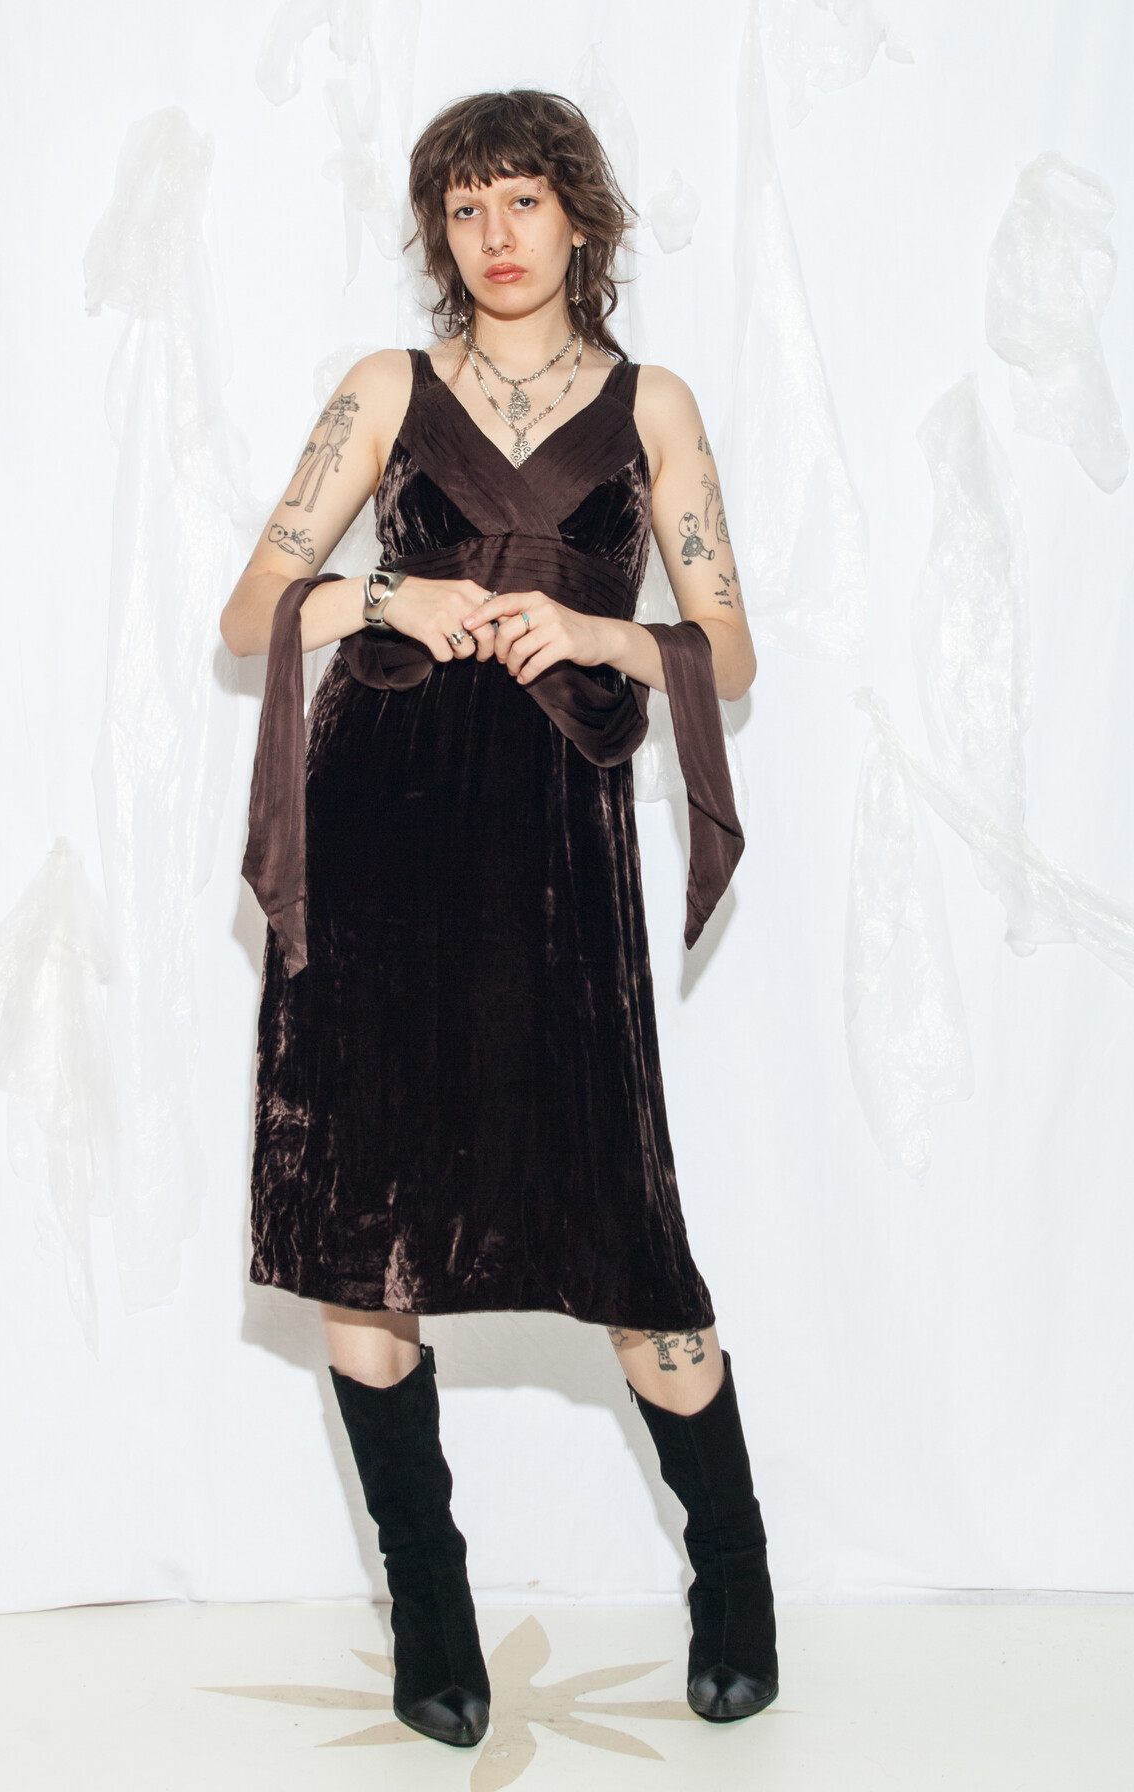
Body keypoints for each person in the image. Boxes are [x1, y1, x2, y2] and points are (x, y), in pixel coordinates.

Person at [220, 88, 775, 1751]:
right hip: (378, 837)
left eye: (522, 200)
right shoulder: (385, 390)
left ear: (579, 217)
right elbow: (250, 612)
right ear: (438, 233)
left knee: (627, 1234)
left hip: (555, 853)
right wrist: (395, 592)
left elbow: (730, 647)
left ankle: (735, 1576)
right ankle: (431, 1605)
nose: (495, 235)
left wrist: (600, 635)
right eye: (464, 210)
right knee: (364, 1233)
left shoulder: (652, 404)